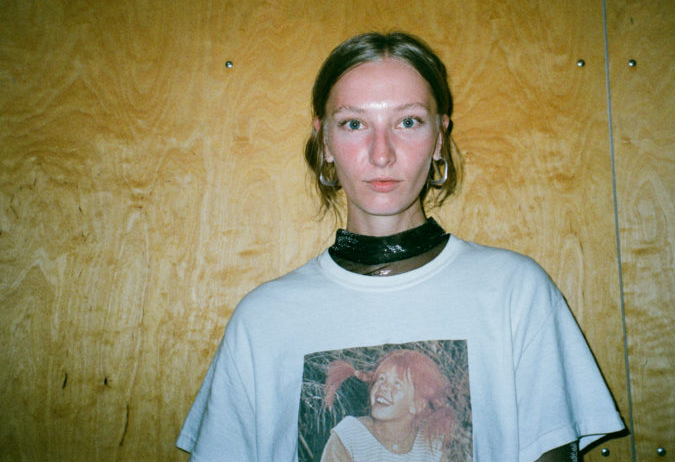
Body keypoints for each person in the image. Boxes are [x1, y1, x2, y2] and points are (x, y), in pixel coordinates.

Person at [176, 32, 625, 461]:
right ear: (325, 140)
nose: (381, 153)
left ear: (439, 138)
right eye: (354, 124)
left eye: (408, 122)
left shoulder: (514, 291)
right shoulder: (263, 319)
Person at [320, 349, 457, 461]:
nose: (384, 387)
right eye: (381, 379)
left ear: (417, 405)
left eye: (397, 384)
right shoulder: (350, 436)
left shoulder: (429, 447)